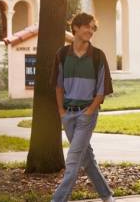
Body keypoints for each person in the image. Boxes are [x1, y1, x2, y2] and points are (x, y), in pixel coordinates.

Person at [50, 12, 114, 202]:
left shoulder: (98, 56)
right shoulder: (62, 55)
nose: (91, 31)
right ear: (76, 27)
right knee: (86, 158)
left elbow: (102, 90)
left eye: (93, 28)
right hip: (68, 115)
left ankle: (57, 199)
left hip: (87, 114)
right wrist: (61, 111)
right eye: (88, 26)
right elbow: (59, 86)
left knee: (73, 160)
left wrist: (90, 111)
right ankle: (107, 195)